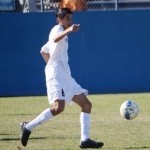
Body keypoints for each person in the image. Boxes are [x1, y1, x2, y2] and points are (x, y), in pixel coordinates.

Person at [20, 8, 104, 149]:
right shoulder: (56, 29)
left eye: (70, 19)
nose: (69, 22)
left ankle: (85, 140)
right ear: (59, 19)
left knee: (86, 105)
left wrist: (53, 64)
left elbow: (43, 50)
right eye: (67, 19)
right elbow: (54, 38)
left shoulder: (62, 33)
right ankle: (28, 127)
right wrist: (69, 30)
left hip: (66, 76)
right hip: (56, 75)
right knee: (59, 108)